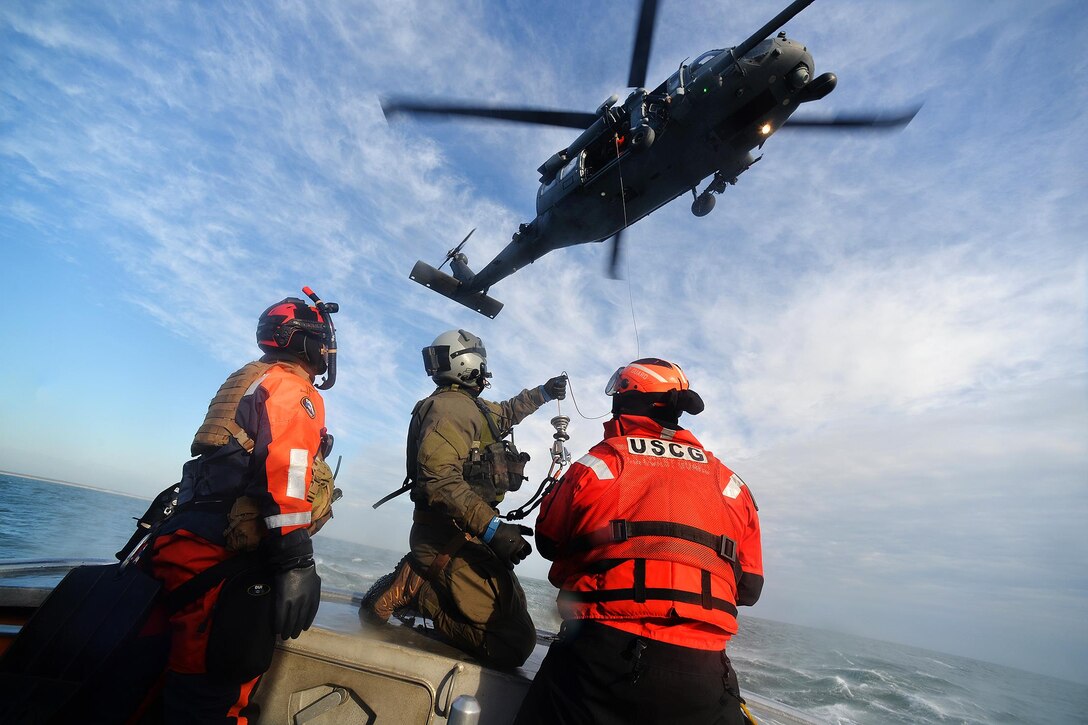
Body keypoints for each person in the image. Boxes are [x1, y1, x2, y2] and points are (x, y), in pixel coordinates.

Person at [514, 358, 763, 725]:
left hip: (598, 661)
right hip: (703, 675)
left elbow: (549, 541)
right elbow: (751, 588)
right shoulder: (731, 484)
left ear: (626, 402)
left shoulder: (599, 463)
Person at [145, 288, 341, 724]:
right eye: (323, 339)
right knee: (214, 698)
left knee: (169, 683)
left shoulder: (251, 378)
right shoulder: (294, 389)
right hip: (220, 560)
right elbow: (287, 470)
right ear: (303, 339)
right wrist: (297, 562)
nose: (328, 349)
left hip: (183, 536)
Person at [361, 328, 567, 669]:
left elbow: (508, 411)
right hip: (445, 538)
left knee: (515, 616)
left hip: (464, 535)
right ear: (471, 363)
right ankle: (417, 589)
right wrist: (494, 530)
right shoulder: (449, 410)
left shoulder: (470, 407)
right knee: (513, 646)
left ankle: (429, 583)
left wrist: (544, 393)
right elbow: (438, 481)